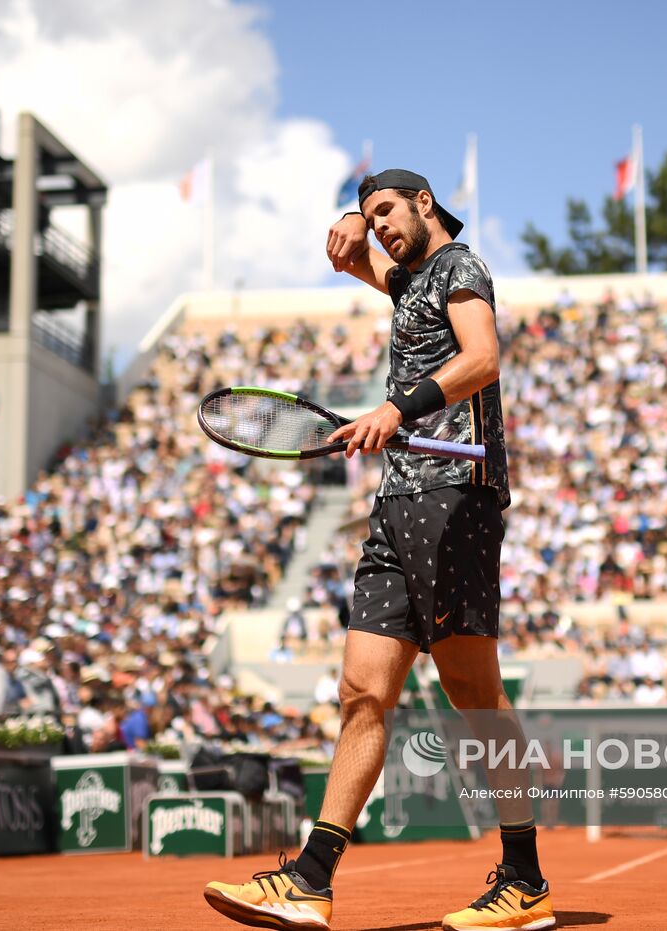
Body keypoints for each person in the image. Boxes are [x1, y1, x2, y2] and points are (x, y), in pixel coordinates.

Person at [205, 170, 551, 931]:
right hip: (397, 505)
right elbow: (355, 260)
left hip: (456, 494)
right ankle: (310, 879)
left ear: (426, 204)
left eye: (389, 212)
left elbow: (483, 357)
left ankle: (524, 879)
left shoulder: (463, 267)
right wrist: (349, 222)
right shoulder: (414, 279)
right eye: (374, 216)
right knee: (362, 691)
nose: (381, 227)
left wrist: (397, 407)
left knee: (473, 692)